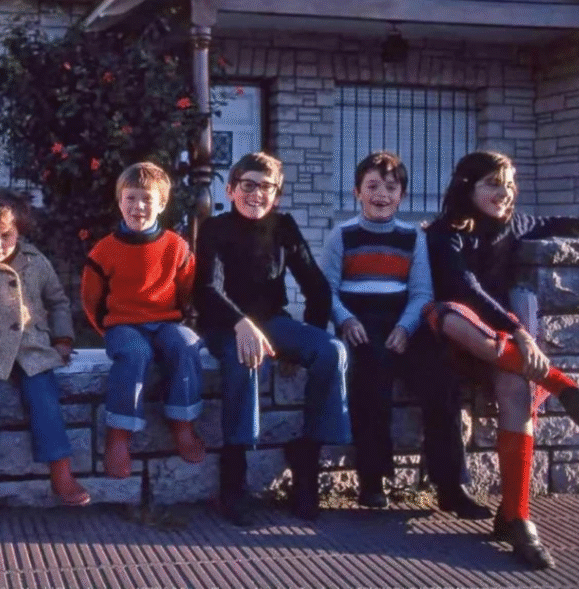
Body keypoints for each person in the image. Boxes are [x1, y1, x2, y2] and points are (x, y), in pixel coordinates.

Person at [425, 150, 579, 569]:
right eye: (493, 183)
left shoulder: (515, 224)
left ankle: (517, 516)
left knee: (516, 389)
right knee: (453, 315)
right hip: (449, 340)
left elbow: (558, 224)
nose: (504, 192)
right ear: (467, 186)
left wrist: (512, 333)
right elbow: (464, 285)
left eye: (509, 184)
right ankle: (563, 384)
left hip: (499, 349)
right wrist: (518, 329)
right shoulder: (445, 232)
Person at [321, 151, 487, 516]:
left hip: (403, 320)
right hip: (359, 322)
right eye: (372, 186)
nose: (381, 194)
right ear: (356, 192)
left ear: (402, 196)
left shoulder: (413, 237)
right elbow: (326, 291)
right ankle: (372, 479)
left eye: (390, 187)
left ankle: (450, 486)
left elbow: (422, 293)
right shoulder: (342, 235)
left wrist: (405, 328)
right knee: (370, 374)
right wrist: (346, 320)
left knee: (441, 379)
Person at [194, 152, 350, 523]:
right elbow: (206, 290)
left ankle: (307, 460)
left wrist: (308, 339)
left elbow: (317, 287)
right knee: (245, 357)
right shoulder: (215, 229)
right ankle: (234, 477)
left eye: (267, 187)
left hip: (274, 323)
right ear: (231, 189)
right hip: (224, 324)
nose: (257, 194)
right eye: (248, 185)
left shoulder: (284, 227)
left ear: (277, 195)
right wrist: (241, 322)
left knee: (331, 350)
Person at [0, 189, 90, 514]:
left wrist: (63, 339)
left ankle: (62, 472)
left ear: (19, 232)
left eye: (6, 236)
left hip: (32, 349)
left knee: (45, 400)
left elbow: (57, 302)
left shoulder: (36, 263)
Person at [82, 162, 206, 480]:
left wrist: (179, 321)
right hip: (123, 325)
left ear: (162, 204)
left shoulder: (176, 248)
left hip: (166, 322)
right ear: (120, 202)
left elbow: (188, 292)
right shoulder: (104, 250)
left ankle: (182, 422)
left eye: (147, 199)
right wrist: (107, 330)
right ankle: (120, 434)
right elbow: (91, 300)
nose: (138, 207)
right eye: (131, 198)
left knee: (186, 344)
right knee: (135, 353)